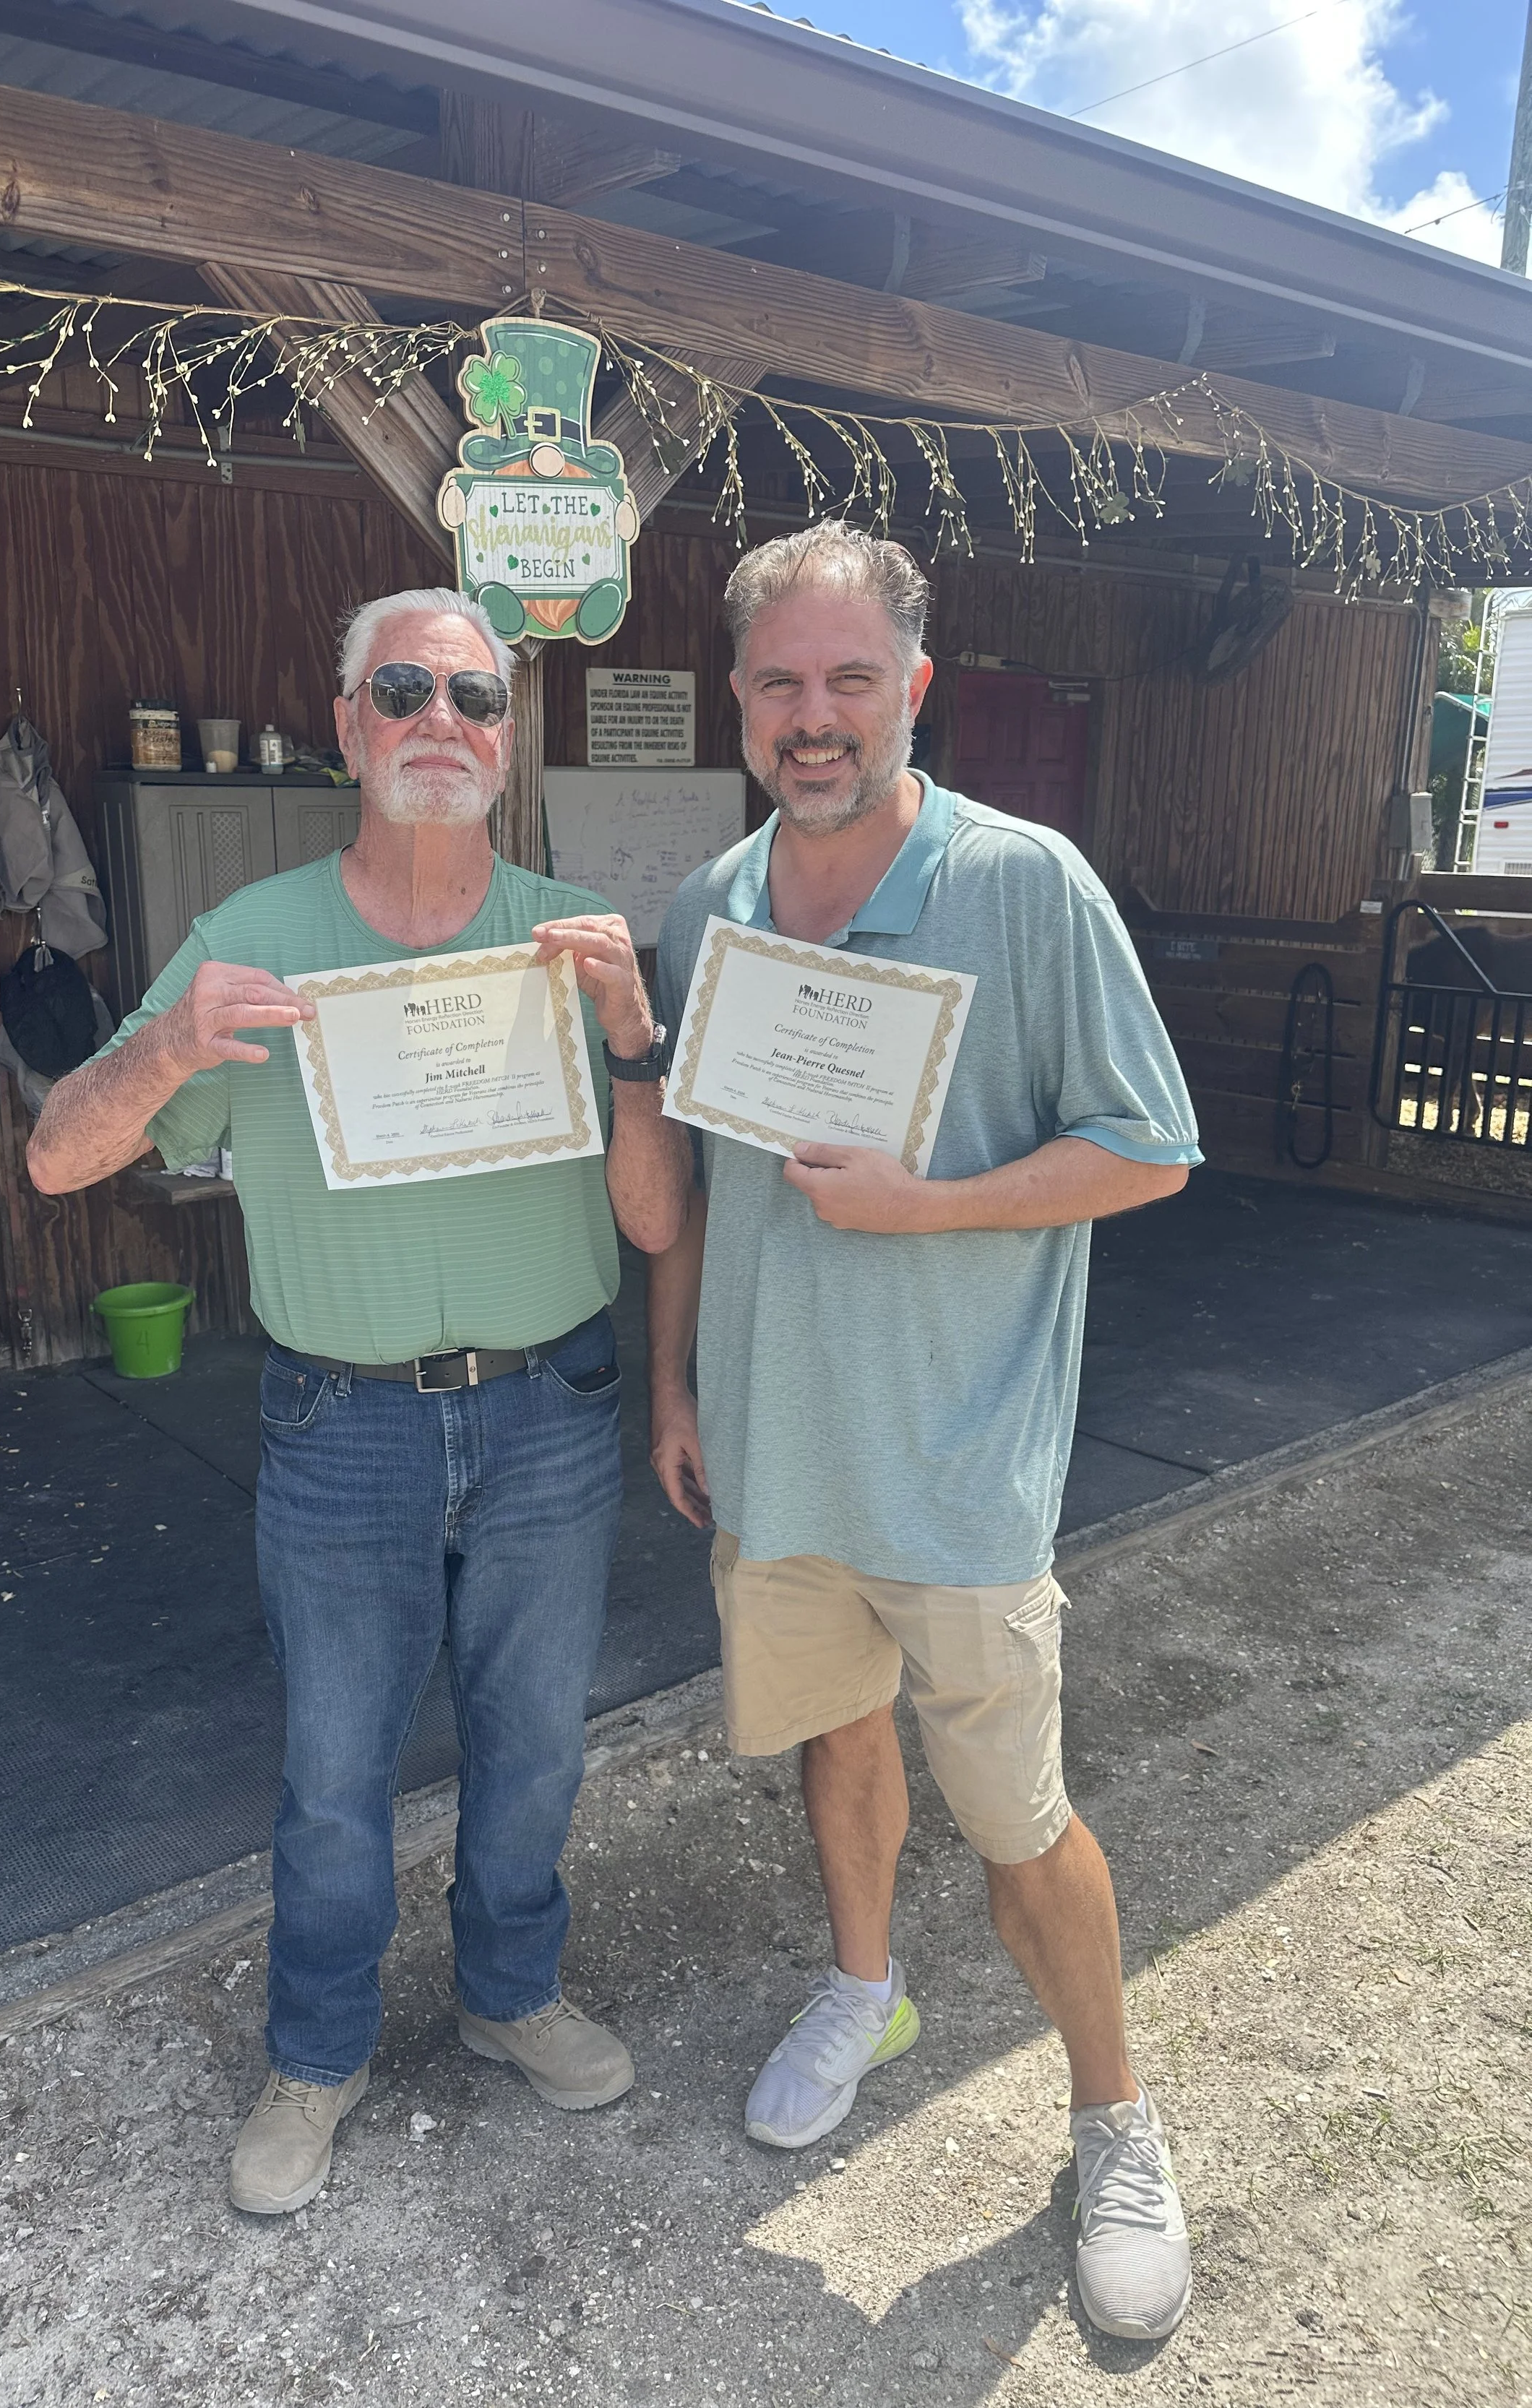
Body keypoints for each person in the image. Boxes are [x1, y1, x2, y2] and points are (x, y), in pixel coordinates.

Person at [29, 587, 689, 2215]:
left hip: (548, 1411)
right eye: (403, 689)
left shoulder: (571, 932)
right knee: (334, 1775)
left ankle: (505, 1991)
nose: (439, 720)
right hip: (341, 1430)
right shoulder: (249, 943)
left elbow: (661, 1220)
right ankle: (315, 2052)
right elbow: (57, 1152)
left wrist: (628, 1041)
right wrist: (174, 1045)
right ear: (346, 725)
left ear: (505, 733)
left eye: (473, 696)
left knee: (533, 1750)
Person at [647, 523, 1202, 2341]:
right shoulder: (712, 903)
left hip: (955, 1463)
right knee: (832, 1736)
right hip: (779, 1444)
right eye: (781, 685)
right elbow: (707, 1193)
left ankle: (1110, 2122)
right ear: (738, 700)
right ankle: (862, 1986)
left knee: (1020, 1820)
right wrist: (674, 1381)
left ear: (913, 688)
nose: (816, 718)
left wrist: (927, 1204)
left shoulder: (1024, 886)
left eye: (849, 680)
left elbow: (1148, 1145)